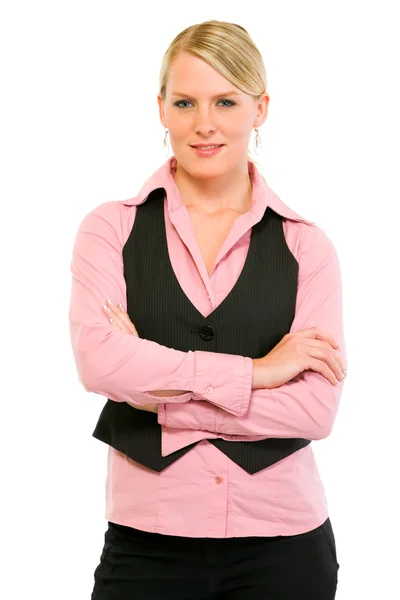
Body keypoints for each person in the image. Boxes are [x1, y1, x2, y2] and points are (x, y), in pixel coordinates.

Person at [69, 19, 347, 600]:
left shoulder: (306, 246)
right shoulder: (110, 230)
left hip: (284, 547)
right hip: (148, 543)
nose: (204, 124)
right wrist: (259, 373)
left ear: (260, 108)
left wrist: (155, 398)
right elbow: (100, 366)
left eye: (226, 101)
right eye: (185, 101)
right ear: (162, 109)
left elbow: (315, 411)